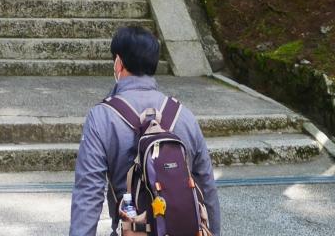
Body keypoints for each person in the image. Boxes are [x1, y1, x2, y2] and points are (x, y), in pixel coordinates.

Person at [69, 25, 221, 236]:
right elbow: (206, 186)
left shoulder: (102, 117)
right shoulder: (183, 115)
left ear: (118, 62)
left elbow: (88, 193)